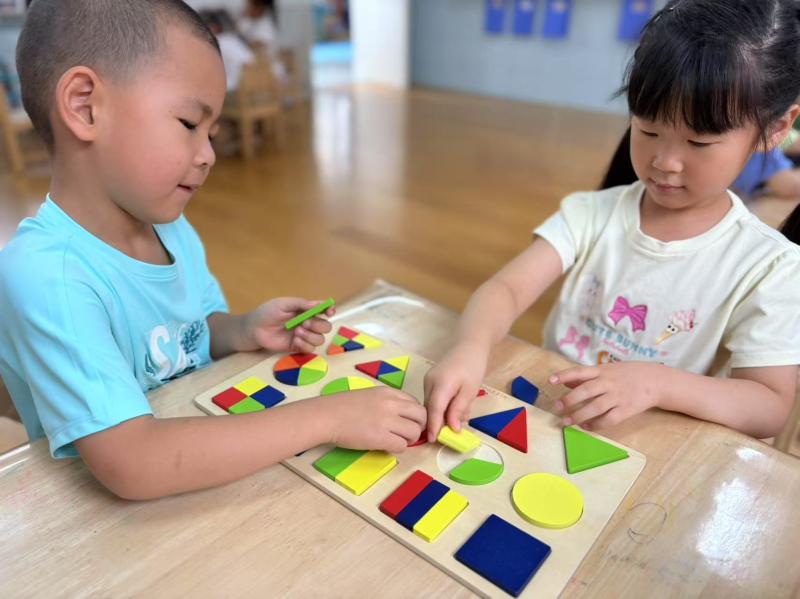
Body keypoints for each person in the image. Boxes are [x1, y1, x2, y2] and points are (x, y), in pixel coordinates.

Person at [0, 0, 425, 500]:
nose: (208, 155)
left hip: (208, 468)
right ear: (84, 106)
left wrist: (242, 328)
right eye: (188, 124)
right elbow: (133, 462)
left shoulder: (172, 230)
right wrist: (328, 418)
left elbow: (194, 333)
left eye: (212, 133)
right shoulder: (46, 274)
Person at [424, 0, 800, 441]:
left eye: (699, 142)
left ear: (776, 129)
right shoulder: (591, 213)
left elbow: (769, 405)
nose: (665, 161)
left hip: (650, 441)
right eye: (648, 130)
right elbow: (505, 289)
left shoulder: (770, 265)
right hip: (553, 417)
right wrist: (470, 348)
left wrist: (657, 384)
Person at [201, 10, 254, 92]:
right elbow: (250, 60)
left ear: (216, 26)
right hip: (242, 85)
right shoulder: (231, 39)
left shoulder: (219, 41)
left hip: (231, 88)